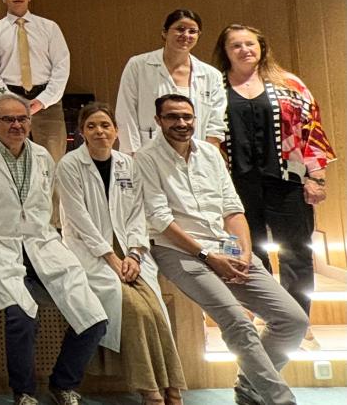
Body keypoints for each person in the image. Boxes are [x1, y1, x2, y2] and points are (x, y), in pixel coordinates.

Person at [137, 94, 308, 405]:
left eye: (187, 117)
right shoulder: (146, 158)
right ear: (158, 120)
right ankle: (280, 400)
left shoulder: (210, 155)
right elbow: (159, 219)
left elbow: (232, 209)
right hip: (179, 251)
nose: (181, 123)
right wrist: (207, 257)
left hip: (227, 247)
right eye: (173, 117)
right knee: (238, 322)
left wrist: (244, 252)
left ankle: (249, 387)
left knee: (293, 320)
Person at [0, 93, 107, 405]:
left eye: (22, 119)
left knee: (94, 317)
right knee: (21, 318)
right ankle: (24, 392)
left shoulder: (41, 156)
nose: (16, 125)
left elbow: (45, 204)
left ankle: (64, 383)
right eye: (8, 119)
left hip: (41, 241)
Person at [54, 103, 185, 405]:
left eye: (105, 125)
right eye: (91, 126)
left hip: (130, 253)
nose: (99, 131)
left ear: (116, 131)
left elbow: (138, 214)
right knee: (136, 309)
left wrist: (135, 254)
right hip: (92, 254)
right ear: (82, 132)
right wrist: (111, 258)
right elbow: (79, 220)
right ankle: (150, 388)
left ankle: (174, 386)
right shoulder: (70, 165)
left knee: (156, 309)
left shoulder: (128, 164)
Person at [214, 24, 336, 344]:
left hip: (286, 181)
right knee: (247, 251)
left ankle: (298, 319)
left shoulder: (289, 84)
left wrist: (316, 177)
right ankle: (266, 313)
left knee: (296, 251)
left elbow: (312, 130)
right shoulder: (213, 87)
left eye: (250, 44)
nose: (244, 50)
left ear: (262, 47)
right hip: (236, 183)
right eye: (235, 45)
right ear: (225, 52)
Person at [0, 0, 71, 162]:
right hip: (7, 104)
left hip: (47, 104)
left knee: (52, 164)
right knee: (6, 163)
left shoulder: (49, 27)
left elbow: (61, 67)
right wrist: (11, 104)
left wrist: (43, 101)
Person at [115, 9, 226, 153]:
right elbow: (126, 112)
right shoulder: (138, 65)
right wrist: (133, 154)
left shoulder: (211, 75)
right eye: (180, 29)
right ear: (165, 32)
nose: (186, 35)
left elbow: (215, 124)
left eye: (192, 31)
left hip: (194, 154)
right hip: (148, 152)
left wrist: (210, 158)